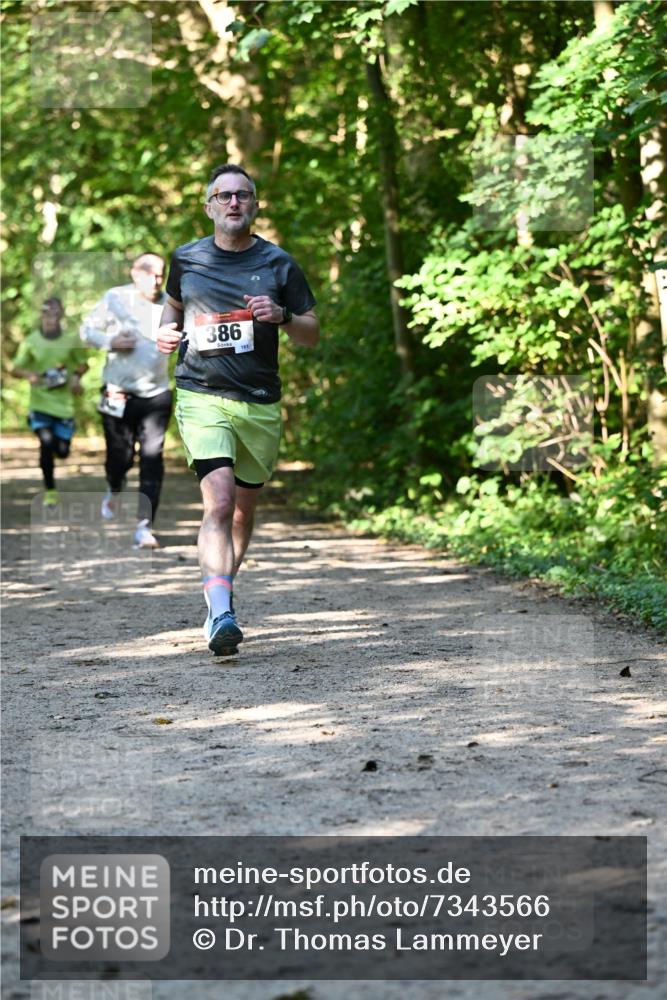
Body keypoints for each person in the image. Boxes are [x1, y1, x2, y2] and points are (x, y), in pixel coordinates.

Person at [157, 163, 319, 655]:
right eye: (223, 195)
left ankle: (220, 594)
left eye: (242, 196)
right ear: (208, 206)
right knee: (220, 503)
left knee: (243, 514)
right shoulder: (185, 259)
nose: (233, 203)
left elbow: (311, 332)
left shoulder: (278, 263)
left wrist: (284, 316)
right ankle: (222, 611)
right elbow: (171, 313)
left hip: (260, 402)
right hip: (201, 394)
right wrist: (164, 333)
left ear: (254, 205)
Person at [80, 252, 172, 548]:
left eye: (161, 274)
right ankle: (114, 486)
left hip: (156, 394)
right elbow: (86, 331)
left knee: (152, 458)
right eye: (150, 273)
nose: (157, 280)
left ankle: (144, 527)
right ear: (135, 273)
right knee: (120, 457)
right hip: (116, 391)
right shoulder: (115, 298)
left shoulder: (172, 302)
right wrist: (110, 342)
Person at [12, 297, 89, 506]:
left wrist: (75, 379)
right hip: (40, 404)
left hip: (64, 407)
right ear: (41, 315)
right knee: (46, 444)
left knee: (62, 451)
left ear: (61, 316)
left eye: (55, 314)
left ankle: (59, 450)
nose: (51, 318)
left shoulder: (71, 340)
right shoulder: (31, 341)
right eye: (47, 313)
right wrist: (30, 375)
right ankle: (50, 490)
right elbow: (15, 368)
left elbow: (83, 364)